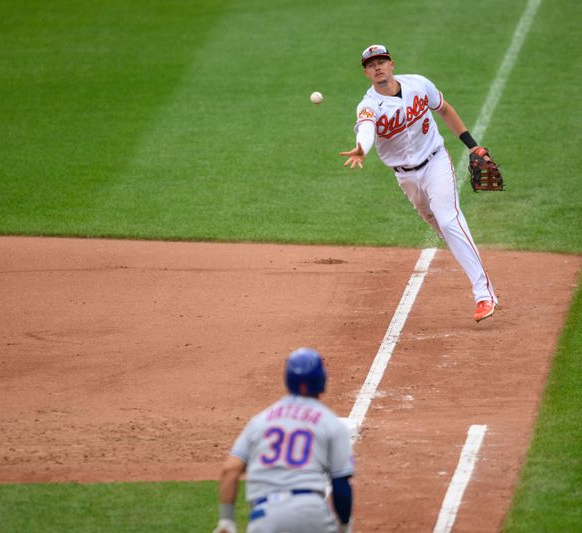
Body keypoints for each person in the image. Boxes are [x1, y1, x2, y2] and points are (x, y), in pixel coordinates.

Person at [340, 44, 498, 322]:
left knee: (450, 221)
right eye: (370, 64)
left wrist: (472, 146)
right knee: (437, 222)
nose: (377, 67)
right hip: (406, 177)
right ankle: (454, 239)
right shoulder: (368, 106)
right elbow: (366, 129)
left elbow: (445, 109)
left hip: (436, 162)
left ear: (392, 64)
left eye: (381, 61)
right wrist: (361, 149)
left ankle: (484, 294)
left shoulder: (419, 85)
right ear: (365, 72)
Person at [213, 348, 354, 533]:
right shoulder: (330, 422)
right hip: (311, 514)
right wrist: (344, 524)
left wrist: (226, 521)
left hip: (264, 517)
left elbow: (230, 470)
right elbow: (340, 485)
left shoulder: (260, 421)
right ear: (321, 379)